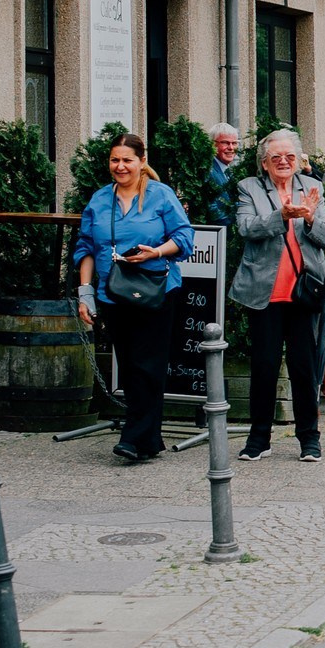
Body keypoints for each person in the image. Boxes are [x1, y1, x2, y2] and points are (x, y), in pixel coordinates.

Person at [73, 133, 194, 463]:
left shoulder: (160, 195)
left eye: (127, 160)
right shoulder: (99, 200)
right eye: (115, 160)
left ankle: (132, 436)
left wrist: (155, 251)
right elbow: (85, 248)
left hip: (157, 290)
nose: (121, 166)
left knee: (149, 365)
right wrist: (85, 294)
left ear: (142, 161)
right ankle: (149, 439)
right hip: (113, 294)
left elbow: (184, 238)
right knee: (128, 366)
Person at [230, 128, 325, 463]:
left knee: (304, 368)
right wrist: (281, 216)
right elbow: (246, 228)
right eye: (277, 158)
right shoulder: (249, 188)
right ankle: (258, 438)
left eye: (290, 157)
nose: (284, 162)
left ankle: (310, 439)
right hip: (264, 291)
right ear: (264, 163)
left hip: (302, 291)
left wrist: (306, 220)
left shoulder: (311, 187)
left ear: (299, 160)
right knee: (264, 366)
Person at [205, 122, 240, 225]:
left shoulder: (231, 172)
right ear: (213, 144)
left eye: (234, 143)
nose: (231, 148)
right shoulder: (207, 171)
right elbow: (213, 211)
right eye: (225, 143)